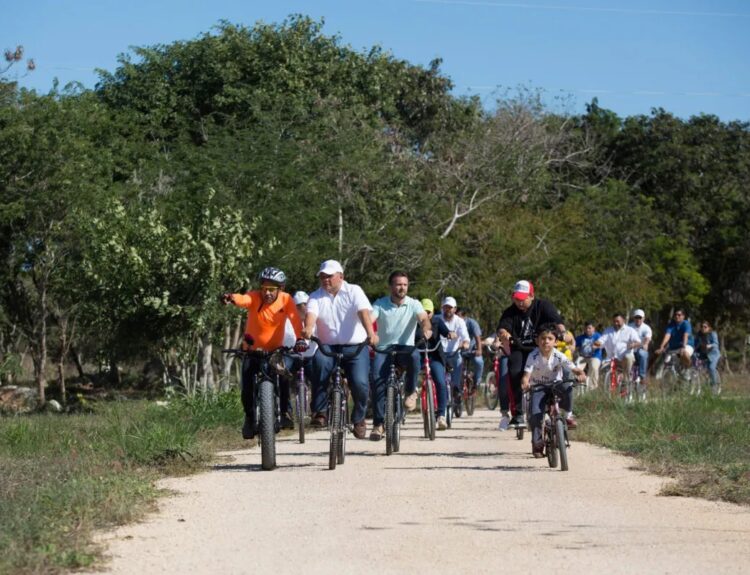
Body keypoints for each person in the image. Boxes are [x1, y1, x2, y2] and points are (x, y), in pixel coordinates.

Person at [222, 267, 305, 438]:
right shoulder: (254, 297)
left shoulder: (286, 299)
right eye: (265, 288)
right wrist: (231, 298)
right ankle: (250, 418)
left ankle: (284, 413)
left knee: (282, 375)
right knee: (246, 387)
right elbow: (242, 299)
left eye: (272, 289)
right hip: (252, 350)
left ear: (280, 289)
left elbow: (295, 320)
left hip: (275, 351)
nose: (267, 293)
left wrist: (299, 340)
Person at [302, 259, 378, 440]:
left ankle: (359, 418)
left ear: (341, 276)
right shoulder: (315, 296)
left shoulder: (354, 291)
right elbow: (311, 315)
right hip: (327, 345)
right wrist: (308, 328)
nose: (325, 279)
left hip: (355, 346)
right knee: (319, 365)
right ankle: (320, 412)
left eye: (329, 276)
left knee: (360, 383)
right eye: (322, 276)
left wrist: (371, 334)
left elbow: (363, 312)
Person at [369, 271, 432, 441]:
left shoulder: (414, 304)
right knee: (376, 380)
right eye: (398, 284)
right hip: (384, 348)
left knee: (414, 357)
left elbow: (423, 319)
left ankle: (411, 392)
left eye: (404, 284)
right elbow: (370, 318)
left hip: (405, 348)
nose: (402, 288)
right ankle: (378, 424)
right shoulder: (380, 304)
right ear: (391, 286)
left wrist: (426, 328)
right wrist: (368, 332)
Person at [495, 280, 566, 430]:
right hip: (519, 349)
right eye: (516, 298)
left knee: (561, 370)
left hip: (542, 348)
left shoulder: (543, 306)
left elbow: (558, 322)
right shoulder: (510, 312)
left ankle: (560, 408)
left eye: (523, 298)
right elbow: (502, 328)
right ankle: (518, 413)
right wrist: (504, 334)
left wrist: (562, 333)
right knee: (514, 371)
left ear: (532, 296)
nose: (519, 302)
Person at [521, 324, 586, 457]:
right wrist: (525, 383)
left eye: (550, 338)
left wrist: (581, 374)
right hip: (538, 387)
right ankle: (537, 444)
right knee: (535, 416)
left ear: (556, 341)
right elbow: (526, 376)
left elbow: (574, 368)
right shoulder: (533, 356)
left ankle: (568, 415)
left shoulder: (559, 356)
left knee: (568, 387)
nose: (546, 341)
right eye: (543, 338)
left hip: (556, 385)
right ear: (537, 341)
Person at [415, 298, 457, 430]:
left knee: (440, 381)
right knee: (410, 373)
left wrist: (450, 334)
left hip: (434, 356)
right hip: (418, 356)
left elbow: (446, 332)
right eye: (423, 311)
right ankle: (412, 393)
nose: (426, 314)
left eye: (429, 311)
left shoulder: (438, 322)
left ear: (433, 312)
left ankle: (441, 416)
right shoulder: (414, 324)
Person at [437, 297, 470, 415]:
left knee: (458, 362)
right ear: (442, 308)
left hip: (454, 353)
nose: (448, 310)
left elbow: (466, 337)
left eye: (450, 307)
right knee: (438, 376)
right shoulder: (437, 319)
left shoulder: (459, 321)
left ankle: (456, 389)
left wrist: (465, 343)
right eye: (445, 307)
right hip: (439, 353)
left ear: (455, 309)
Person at [593, 313, 642, 393]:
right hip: (611, 358)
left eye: (618, 321)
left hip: (624, 358)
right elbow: (601, 340)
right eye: (614, 321)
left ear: (623, 320)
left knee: (629, 357)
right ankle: (604, 390)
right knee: (601, 370)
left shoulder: (630, 330)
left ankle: (626, 381)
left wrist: (633, 344)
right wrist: (596, 343)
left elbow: (639, 342)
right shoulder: (608, 330)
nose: (616, 323)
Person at [456, 307, 484, 396]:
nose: (456, 318)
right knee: (456, 365)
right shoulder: (453, 323)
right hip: (459, 350)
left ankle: (476, 384)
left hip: (472, 350)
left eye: (459, 316)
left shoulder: (472, 323)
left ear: (464, 316)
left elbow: (477, 338)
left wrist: (479, 349)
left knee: (479, 362)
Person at [574, 321, 602, 390]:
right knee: (576, 367)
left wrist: (597, 346)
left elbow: (602, 344)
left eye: (589, 328)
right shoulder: (581, 337)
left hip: (594, 356)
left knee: (594, 367)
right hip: (583, 356)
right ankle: (578, 387)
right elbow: (573, 344)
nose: (587, 330)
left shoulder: (598, 336)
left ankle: (592, 388)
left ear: (593, 329)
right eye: (586, 328)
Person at [695, 320, 721, 393]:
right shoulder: (698, 335)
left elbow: (716, 344)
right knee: (697, 368)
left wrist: (710, 345)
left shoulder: (712, 334)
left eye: (705, 327)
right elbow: (695, 345)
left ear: (709, 328)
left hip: (713, 354)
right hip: (703, 354)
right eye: (702, 327)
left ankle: (714, 385)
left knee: (711, 367)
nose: (703, 328)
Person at [628, 309, 652, 384]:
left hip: (640, 349)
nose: (638, 319)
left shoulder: (646, 328)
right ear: (633, 318)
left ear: (643, 318)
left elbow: (647, 338)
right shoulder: (629, 327)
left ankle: (642, 376)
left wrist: (645, 344)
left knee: (643, 354)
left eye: (640, 317)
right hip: (630, 350)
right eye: (636, 317)